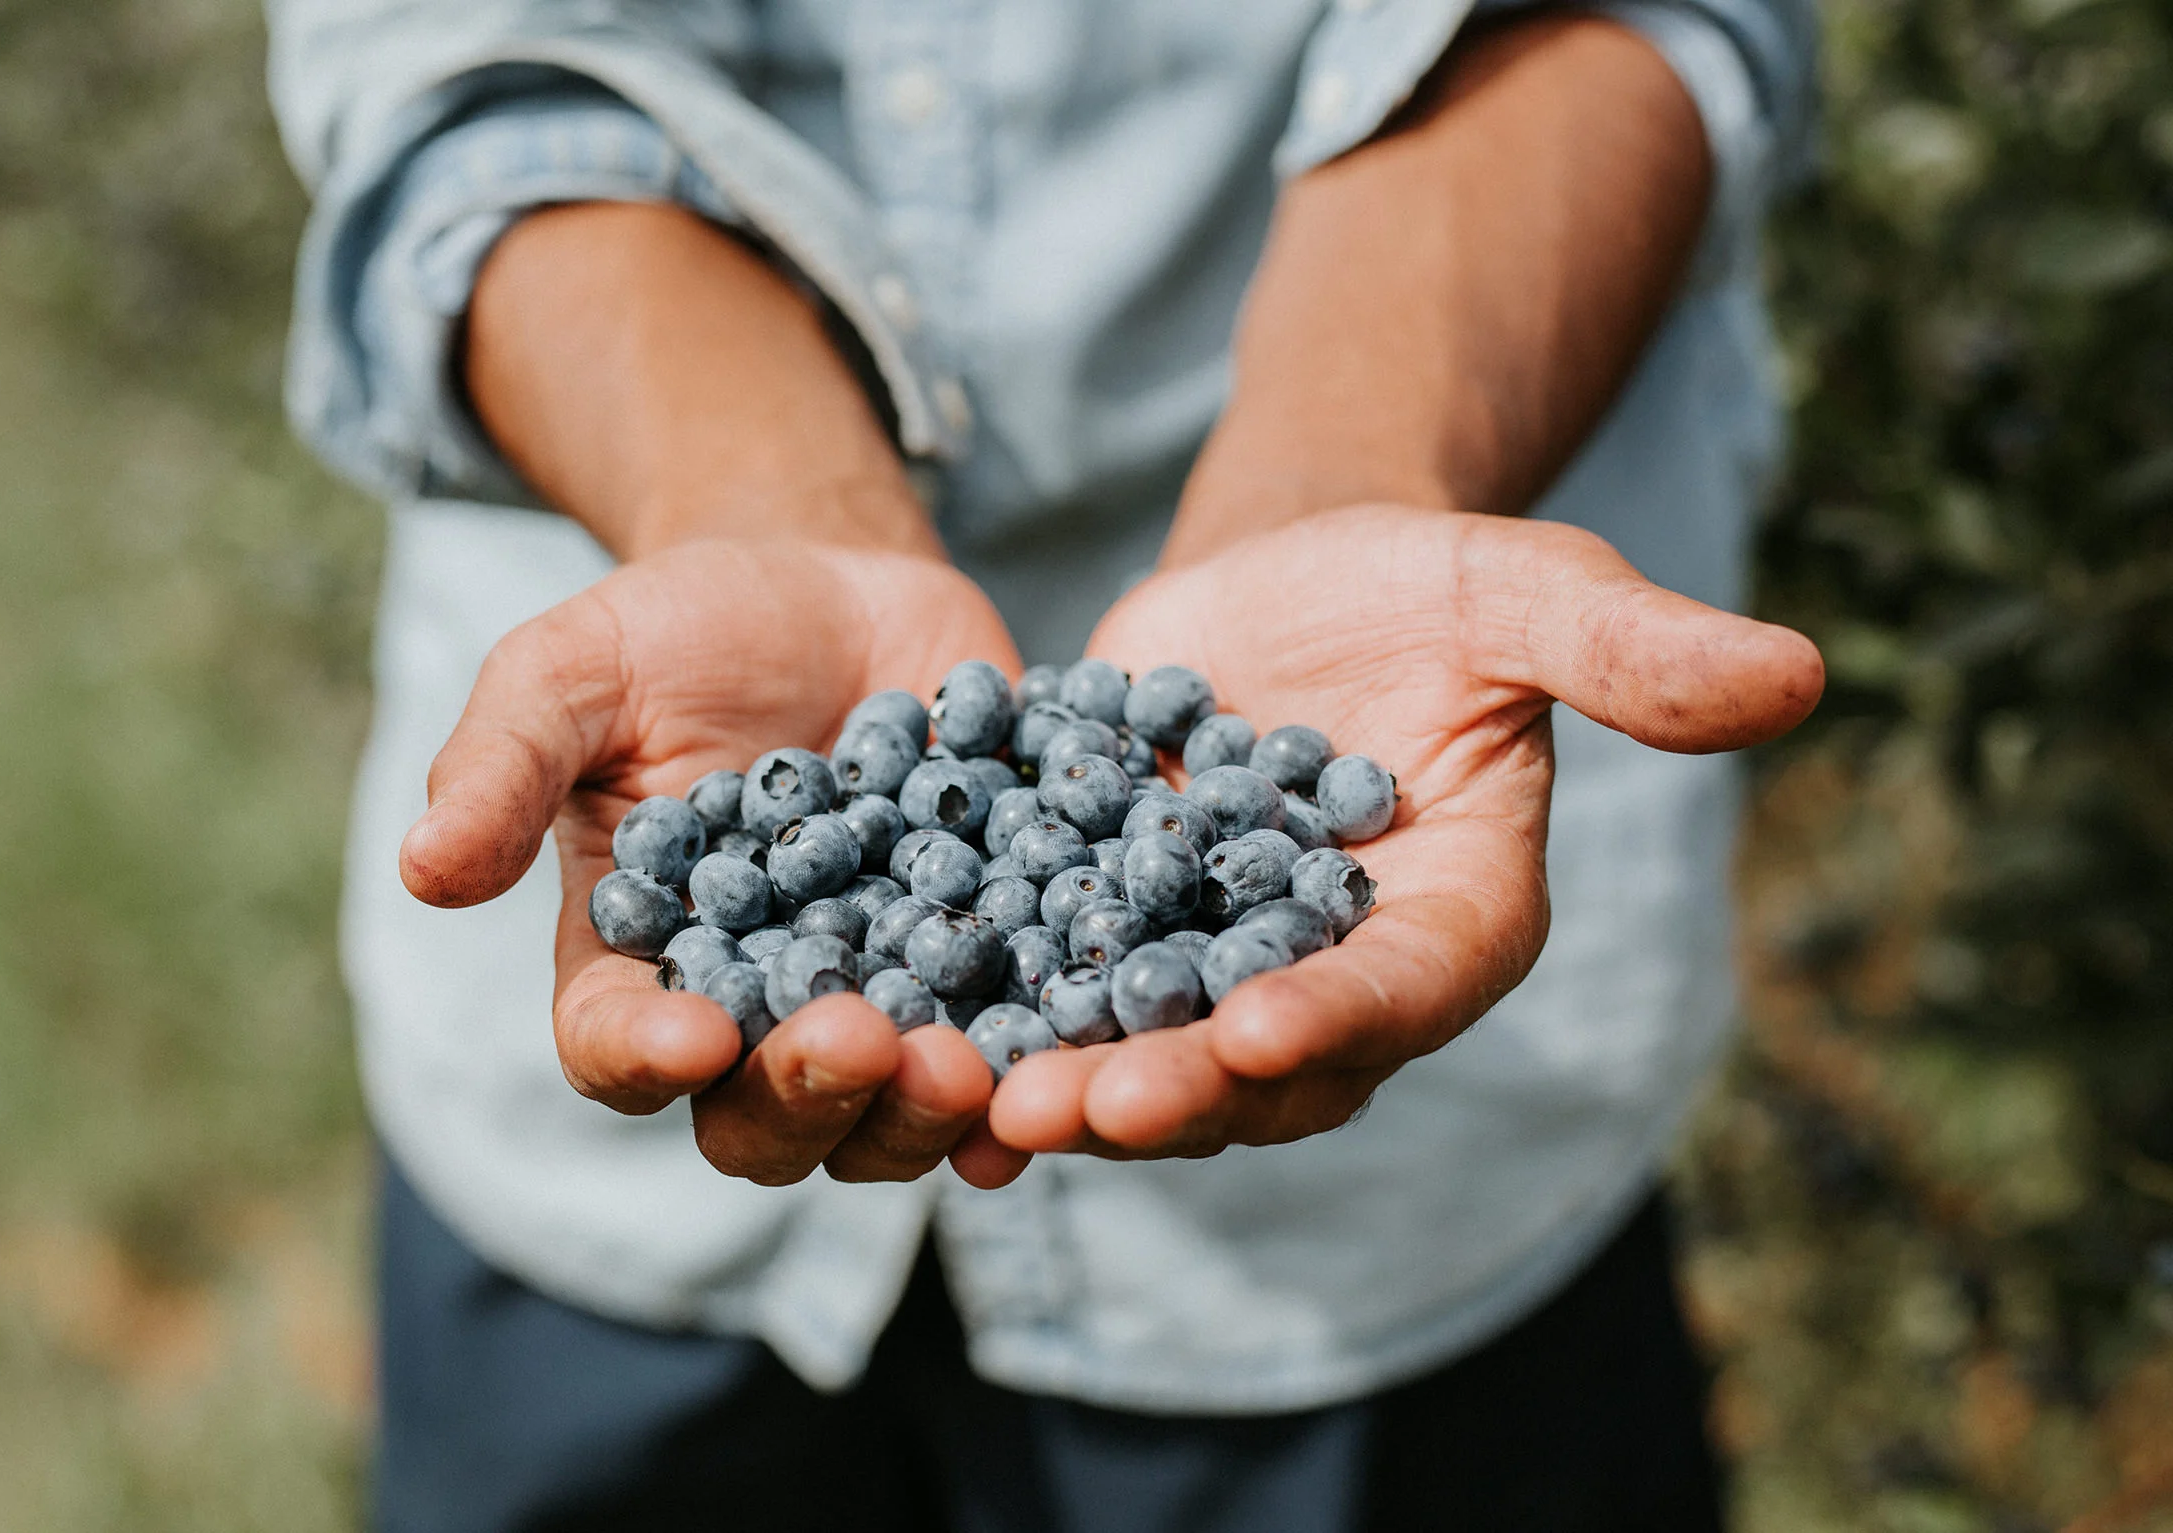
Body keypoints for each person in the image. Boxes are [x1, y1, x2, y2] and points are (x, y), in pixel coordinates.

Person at [265, 1, 1825, 1527]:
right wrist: (753, 503)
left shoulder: (1246, 824)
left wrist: (1356, 481)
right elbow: (452, 68)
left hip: (1387, 1229)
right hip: (596, 1186)